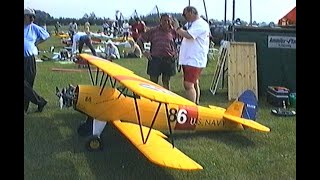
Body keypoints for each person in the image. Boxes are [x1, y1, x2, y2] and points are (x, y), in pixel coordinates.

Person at [171, 6, 210, 104]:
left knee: (188, 85)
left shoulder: (200, 24)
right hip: (191, 59)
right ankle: (196, 104)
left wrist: (177, 28)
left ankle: (191, 108)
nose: (185, 17)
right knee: (194, 82)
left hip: (194, 59)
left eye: (185, 15)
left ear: (191, 12)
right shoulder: (194, 24)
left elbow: (189, 35)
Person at [137, 14, 178, 90]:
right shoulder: (153, 31)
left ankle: (166, 99)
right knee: (153, 82)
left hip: (168, 59)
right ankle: (153, 99)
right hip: (155, 59)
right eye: (164, 20)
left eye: (168, 21)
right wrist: (144, 51)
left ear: (171, 21)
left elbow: (181, 42)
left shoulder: (174, 32)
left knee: (166, 81)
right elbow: (140, 40)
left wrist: (176, 53)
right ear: (160, 21)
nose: (167, 22)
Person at [24, 7, 50, 113]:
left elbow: (46, 36)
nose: (32, 19)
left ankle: (25, 108)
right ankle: (40, 101)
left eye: (33, 17)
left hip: (29, 60)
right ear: (24, 16)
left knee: (28, 85)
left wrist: (36, 43)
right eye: (30, 17)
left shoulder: (34, 28)